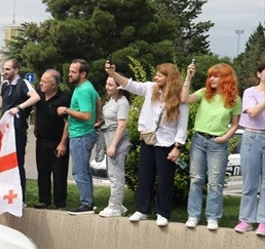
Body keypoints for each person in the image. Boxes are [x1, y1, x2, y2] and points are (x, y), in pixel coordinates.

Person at [107, 61, 189, 226]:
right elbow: (130, 85)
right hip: (148, 139)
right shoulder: (151, 88)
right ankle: (142, 210)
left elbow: (182, 125)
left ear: (169, 78)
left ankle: (163, 213)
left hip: (166, 143)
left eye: (160, 75)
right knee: (145, 176)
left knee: (165, 179)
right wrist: (113, 74)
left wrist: (177, 147)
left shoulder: (180, 97)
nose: (156, 77)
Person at [181, 63, 241, 231]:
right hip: (199, 139)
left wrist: (225, 138)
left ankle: (212, 217)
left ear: (226, 78)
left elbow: (235, 124)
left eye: (216, 76)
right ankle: (193, 215)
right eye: (210, 76)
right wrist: (188, 77)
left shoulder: (234, 99)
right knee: (196, 179)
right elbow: (184, 99)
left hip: (218, 143)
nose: (212, 79)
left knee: (215, 182)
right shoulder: (203, 93)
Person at [0, 59, 40, 197]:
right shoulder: (4, 85)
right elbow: (3, 102)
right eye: (4, 69)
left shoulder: (23, 84)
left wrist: (19, 108)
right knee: (3, 163)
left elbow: (35, 97)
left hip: (17, 130)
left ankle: (20, 196)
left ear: (16, 70)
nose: (5, 72)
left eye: (7, 69)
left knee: (17, 163)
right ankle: (5, 194)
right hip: (5, 131)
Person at [57, 59, 99, 215]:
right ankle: (89, 201)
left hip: (81, 135)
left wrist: (66, 110)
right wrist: (98, 119)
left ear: (83, 73)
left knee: (79, 171)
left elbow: (86, 115)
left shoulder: (83, 90)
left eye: (73, 72)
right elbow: (98, 99)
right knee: (84, 171)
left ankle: (86, 204)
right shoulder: (86, 87)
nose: (69, 74)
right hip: (82, 134)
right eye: (69, 71)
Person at [235, 61, 265, 236]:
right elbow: (253, 112)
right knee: (250, 182)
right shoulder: (250, 92)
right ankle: (246, 219)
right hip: (252, 137)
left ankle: (263, 221)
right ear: (259, 74)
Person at [33, 69, 70, 210]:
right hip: (41, 140)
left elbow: (68, 123)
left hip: (57, 141)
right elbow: (37, 111)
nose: (41, 84)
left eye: (44, 82)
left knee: (59, 173)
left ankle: (60, 203)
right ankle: (44, 200)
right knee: (43, 172)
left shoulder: (64, 99)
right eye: (41, 81)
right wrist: (36, 125)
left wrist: (63, 143)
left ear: (54, 85)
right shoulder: (39, 96)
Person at [98, 75, 131, 217]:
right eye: (106, 83)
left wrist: (113, 145)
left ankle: (115, 206)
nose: (107, 87)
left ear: (119, 87)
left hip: (117, 138)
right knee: (111, 173)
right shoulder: (111, 100)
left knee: (116, 173)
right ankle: (119, 204)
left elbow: (122, 125)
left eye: (110, 85)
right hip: (108, 135)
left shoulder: (122, 102)